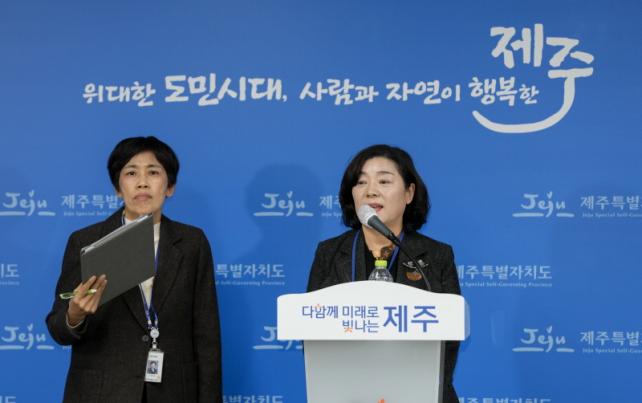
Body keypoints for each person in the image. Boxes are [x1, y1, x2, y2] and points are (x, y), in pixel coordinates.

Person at [46, 136, 222, 403]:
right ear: (118, 188)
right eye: (131, 173)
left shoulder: (191, 243)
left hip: (174, 392)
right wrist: (75, 314)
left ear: (170, 186)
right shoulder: (86, 242)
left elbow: (207, 334)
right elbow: (58, 328)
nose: (142, 182)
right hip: (102, 393)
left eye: (153, 172)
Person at [306, 144, 462, 403]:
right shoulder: (329, 253)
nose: (371, 191)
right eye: (361, 182)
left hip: (420, 394)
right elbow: (310, 333)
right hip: (347, 394)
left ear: (409, 193)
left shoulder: (436, 255)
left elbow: (449, 341)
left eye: (384, 181)